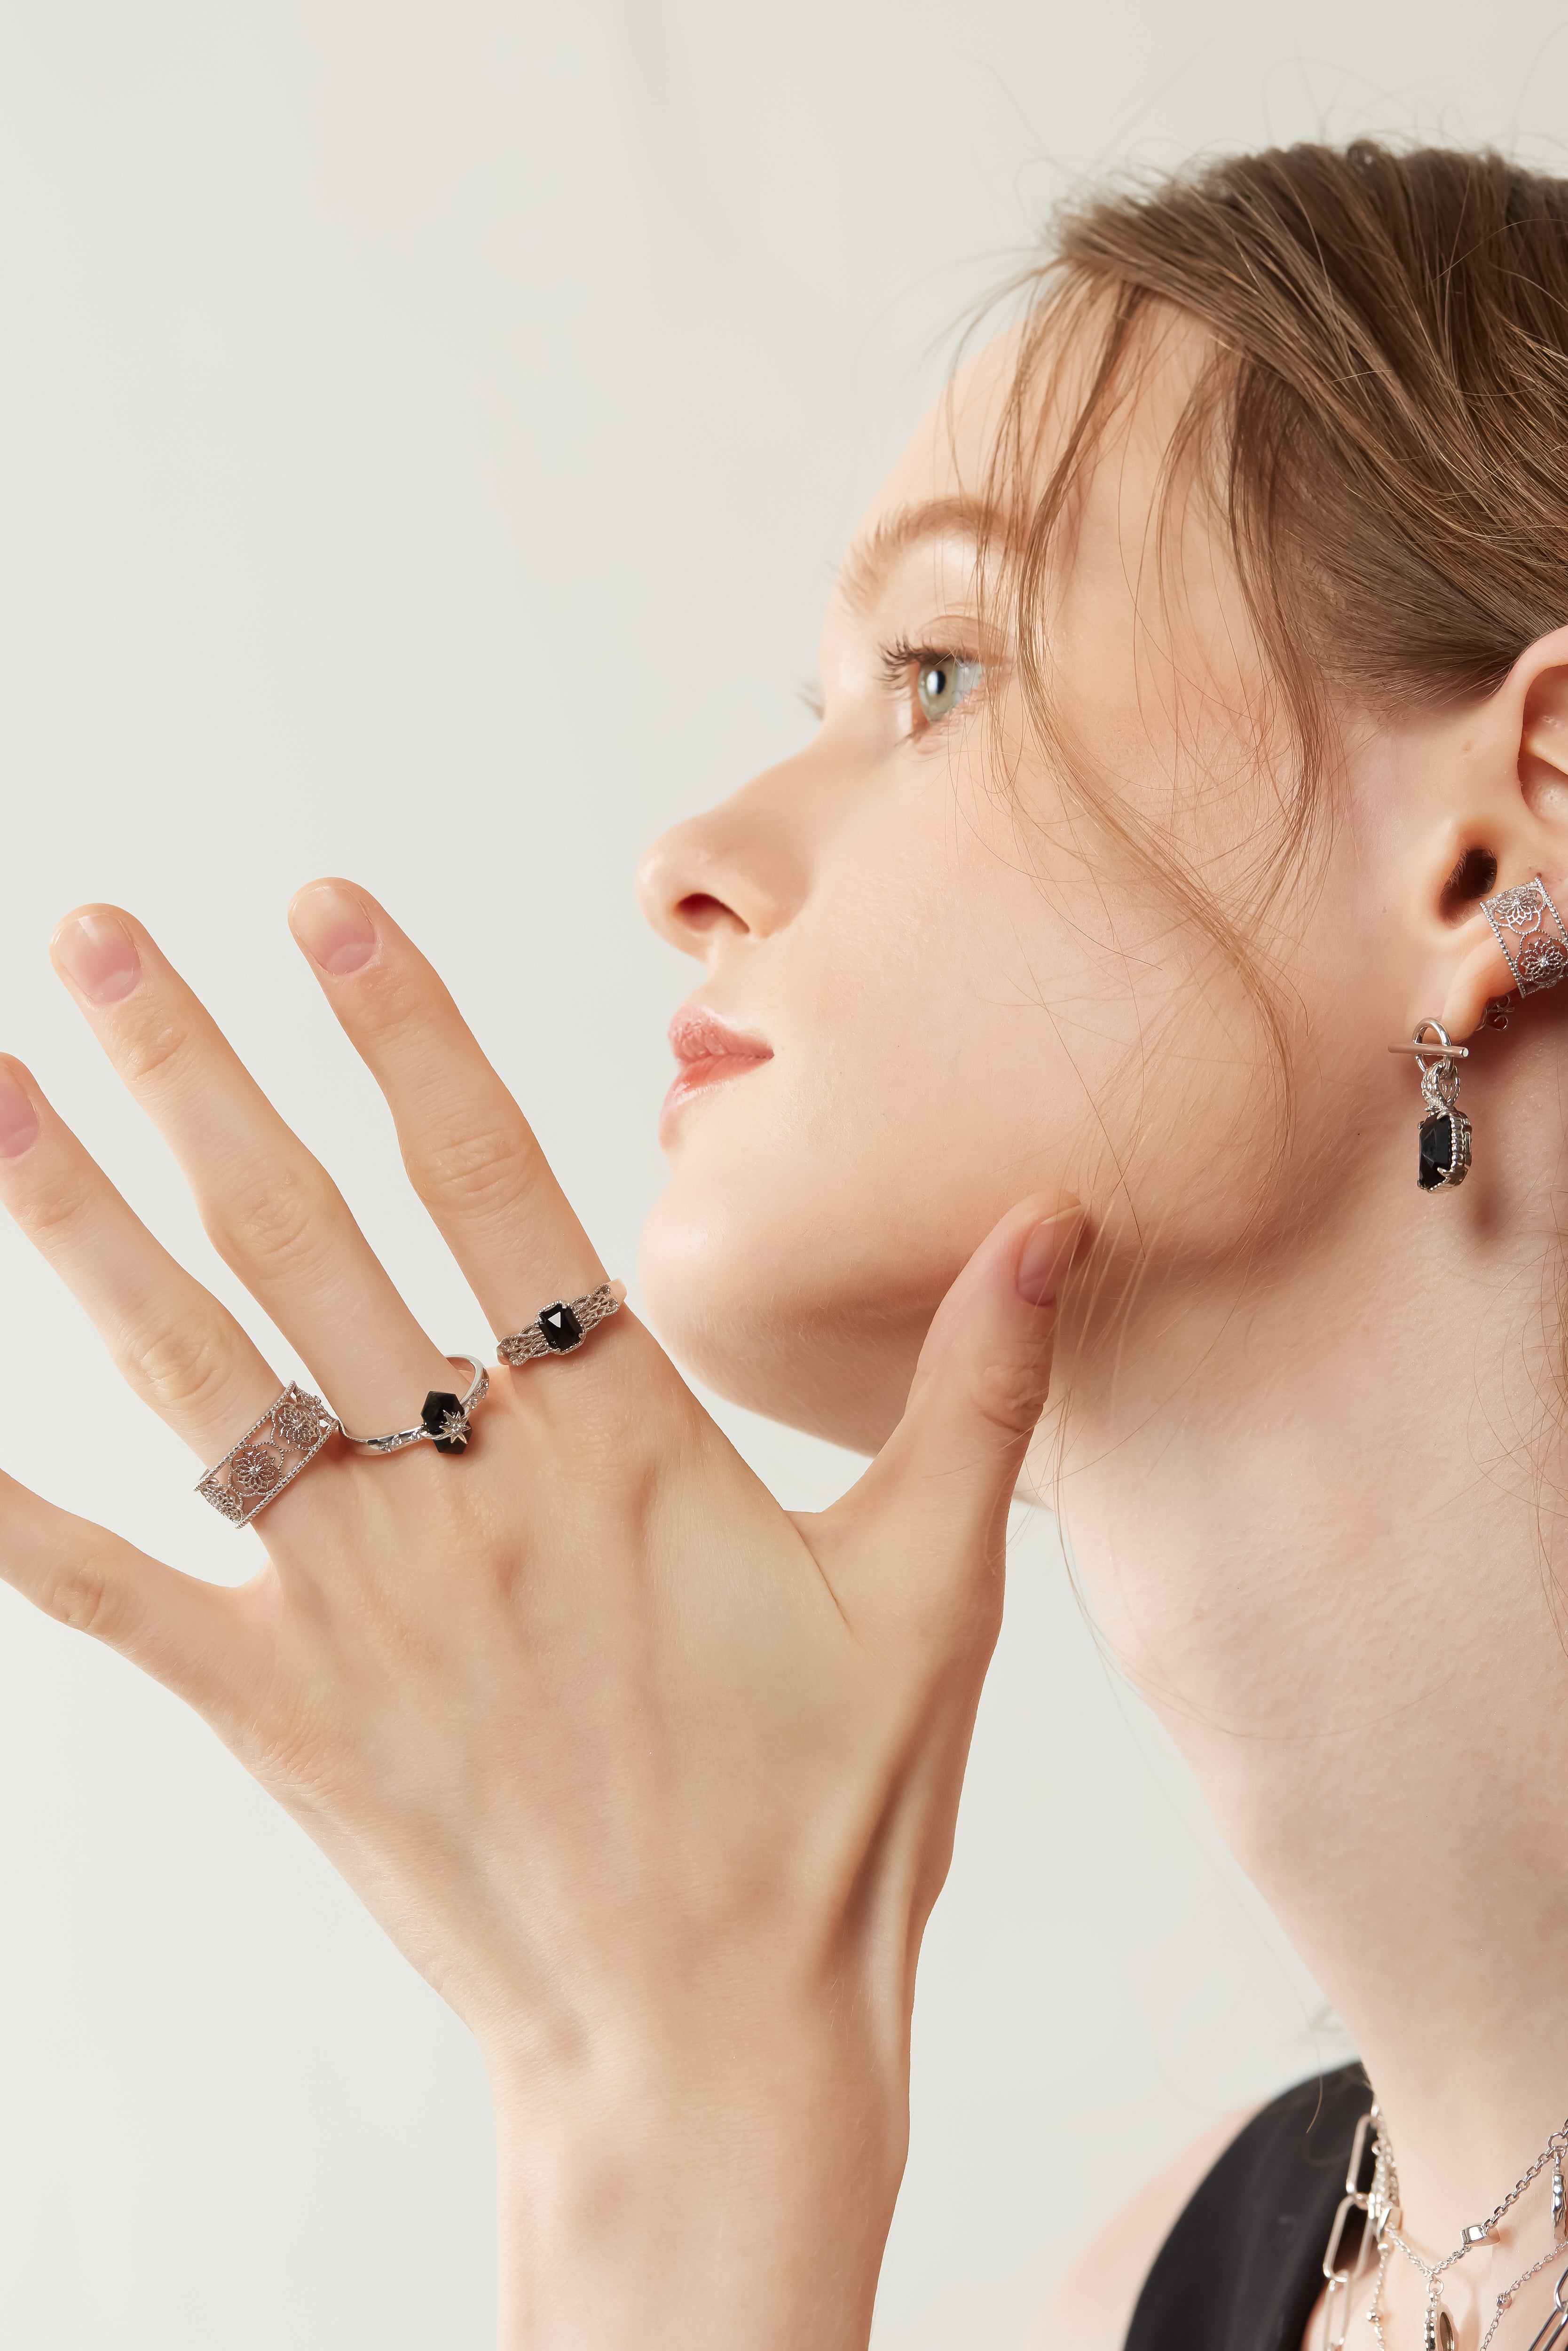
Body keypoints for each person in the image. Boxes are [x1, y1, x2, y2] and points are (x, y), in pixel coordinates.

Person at [1, 136, 1567, 2351]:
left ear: (1511, 823)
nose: (692, 857)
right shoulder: (1146, 2290)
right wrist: (671, 2094)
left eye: (938, 672)